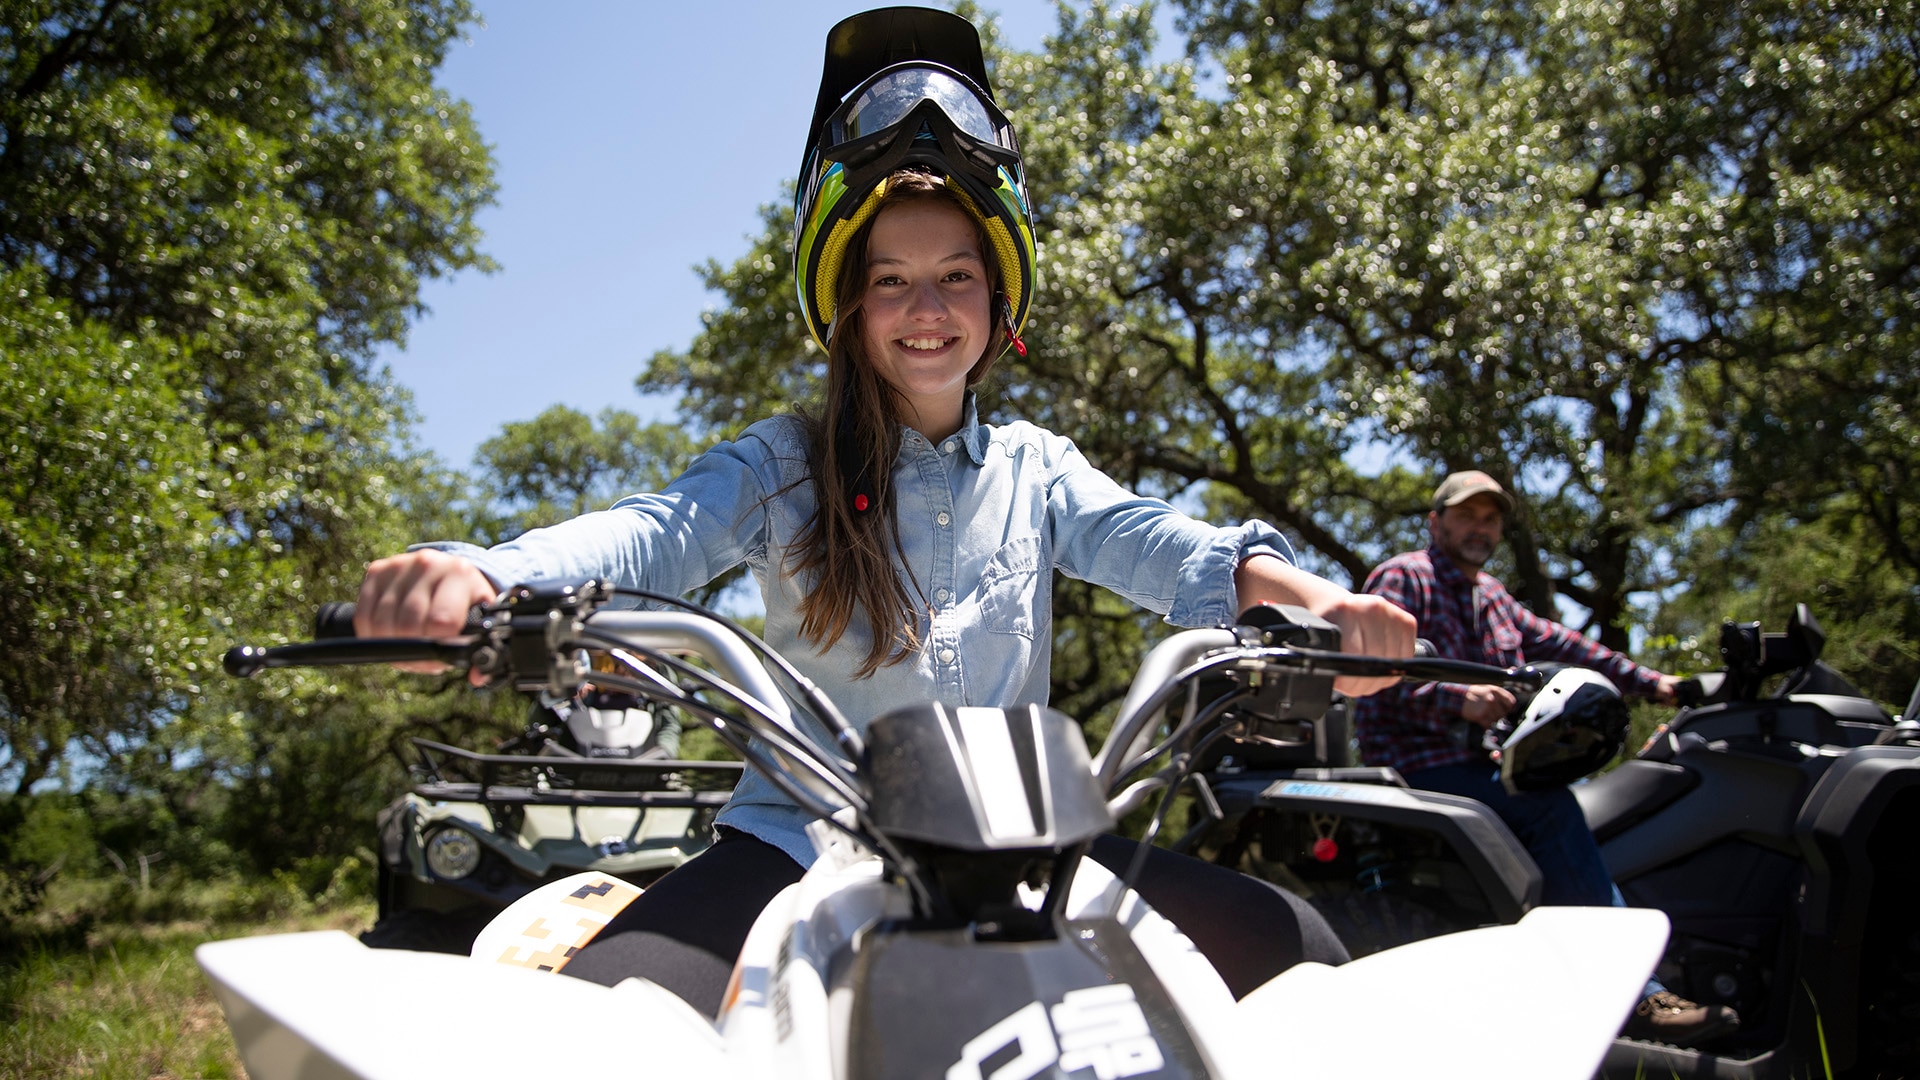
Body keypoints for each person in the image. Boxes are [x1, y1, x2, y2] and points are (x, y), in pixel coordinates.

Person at [353, 7, 1414, 1020]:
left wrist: (1313, 600)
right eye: (893, 278)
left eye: (957, 275)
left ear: (1000, 304)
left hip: (1028, 841)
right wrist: (478, 576)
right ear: (849, 305)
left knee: (1300, 956)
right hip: (797, 844)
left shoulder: (1039, 467)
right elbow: (656, 533)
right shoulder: (781, 462)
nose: (927, 308)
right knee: (596, 1027)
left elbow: (1165, 547)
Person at [1354, 469, 1737, 1045]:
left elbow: (1568, 644)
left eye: (1490, 519)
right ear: (1436, 523)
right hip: (1418, 768)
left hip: (1482, 769)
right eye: (1466, 516)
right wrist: (1458, 699)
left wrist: (1659, 684)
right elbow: (1368, 670)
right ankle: (1635, 995)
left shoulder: (1494, 599)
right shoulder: (1404, 578)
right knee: (1549, 808)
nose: (1479, 528)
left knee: (1577, 803)